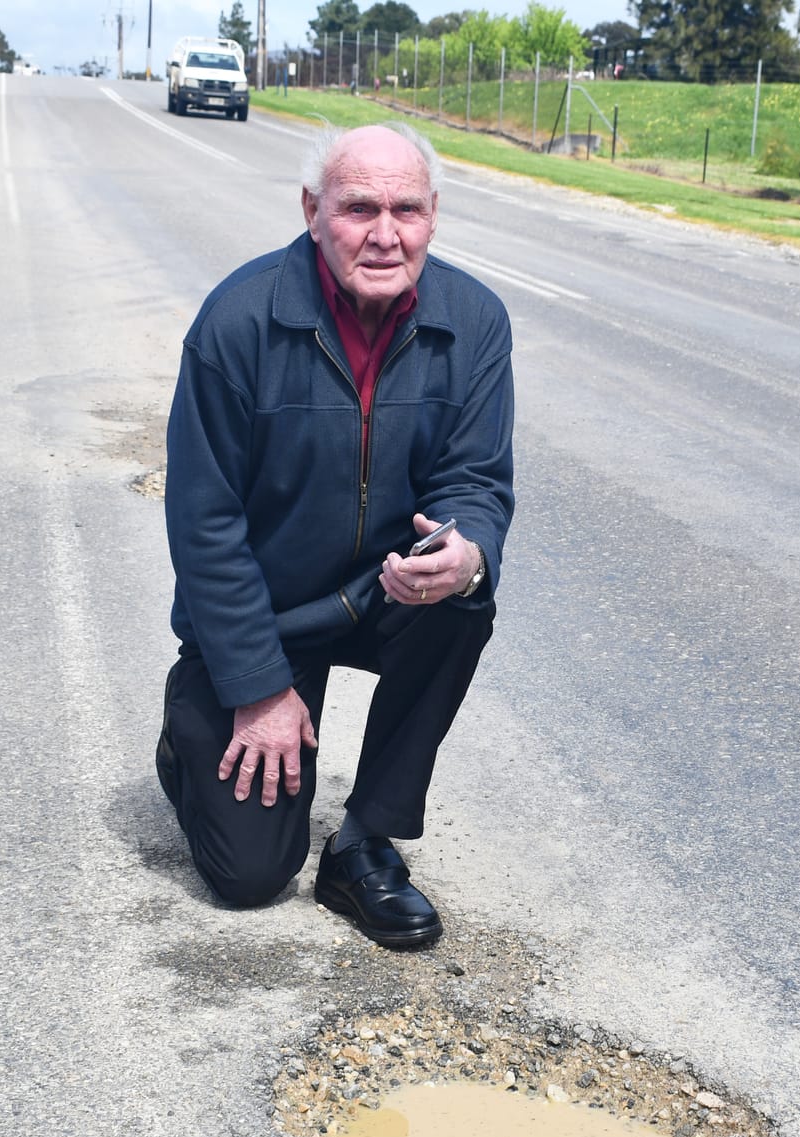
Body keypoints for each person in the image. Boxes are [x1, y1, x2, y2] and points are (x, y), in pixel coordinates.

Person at [156, 123, 514, 949]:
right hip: (269, 618)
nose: (386, 234)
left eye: (407, 209)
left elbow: (476, 480)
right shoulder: (238, 322)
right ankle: (190, 736)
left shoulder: (476, 322)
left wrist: (465, 550)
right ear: (314, 209)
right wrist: (257, 686)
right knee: (249, 875)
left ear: (434, 215)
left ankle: (364, 843)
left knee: (466, 598)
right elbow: (204, 523)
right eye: (359, 208)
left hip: (384, 593)